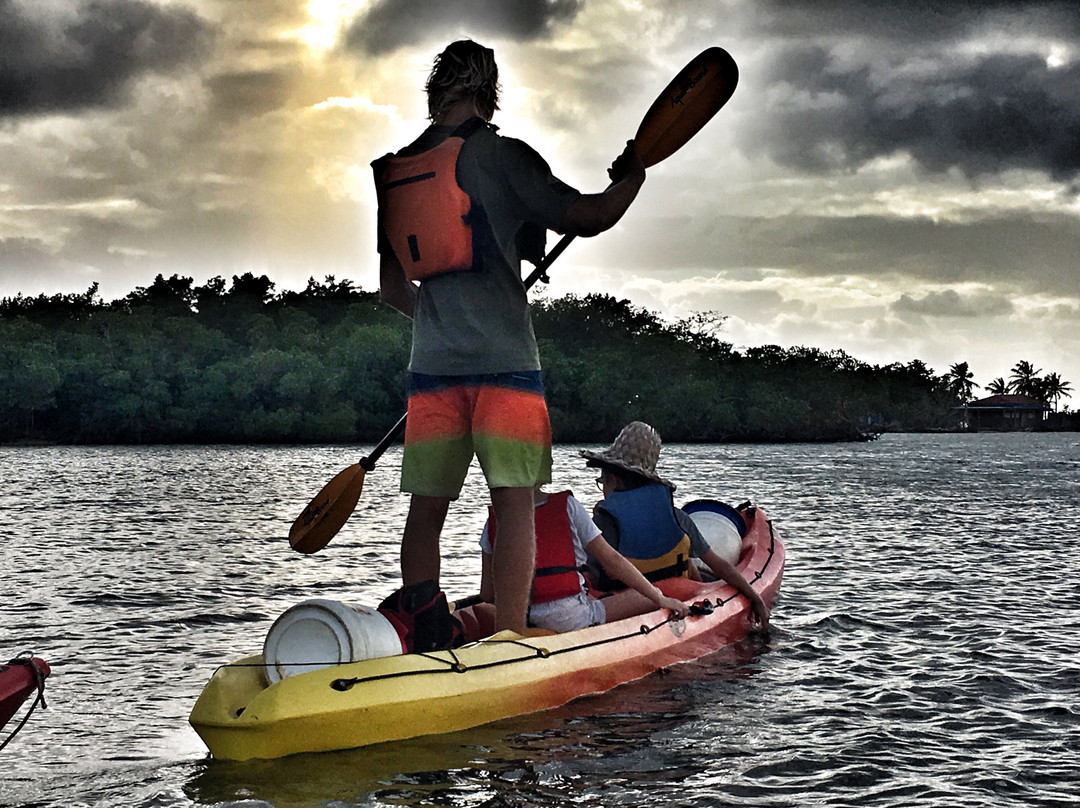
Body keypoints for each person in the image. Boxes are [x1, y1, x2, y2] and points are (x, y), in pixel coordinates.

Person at [375, 40, 646, 634]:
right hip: (506, 368)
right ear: (487, 91)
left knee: (427, 508)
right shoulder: (503, 155)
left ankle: (422, 623)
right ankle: (513, 635)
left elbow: (392, 289)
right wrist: (633, 178)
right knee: (515, 502)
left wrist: (444, 326)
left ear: (435, 90)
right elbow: (590, 216)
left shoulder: (395, 171)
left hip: (432, 371)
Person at [582, 421, 770, 631]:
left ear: (614, 481)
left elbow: (586, 580)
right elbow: (720, 565)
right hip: (680, 602)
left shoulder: (600, 526)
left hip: (627, 613)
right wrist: (754, 597)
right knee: (691, 565)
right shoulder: (678, 518)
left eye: (602, 481)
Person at [469, 484, 688, 635]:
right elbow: (612, 559)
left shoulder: (495, 521)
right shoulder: (568, 506)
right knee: (646, 598)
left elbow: (487, 594)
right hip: (568, 620)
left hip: (517, 619)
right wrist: (659, 598)